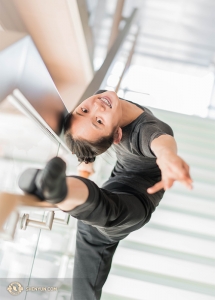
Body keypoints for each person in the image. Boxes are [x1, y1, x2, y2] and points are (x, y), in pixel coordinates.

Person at [19, 90, 193, 300]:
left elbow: (160, 143)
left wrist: (167, 156)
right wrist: (167, 156)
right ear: (117, 136)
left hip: (102, 208)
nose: (97, 107)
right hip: (133, 204)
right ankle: (54, 188)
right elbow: (158, 141)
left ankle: (55, 188)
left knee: (83, 293)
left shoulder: (107, 101)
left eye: (85, 111)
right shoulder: (136, 127)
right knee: (84, 291)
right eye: (99, 121)